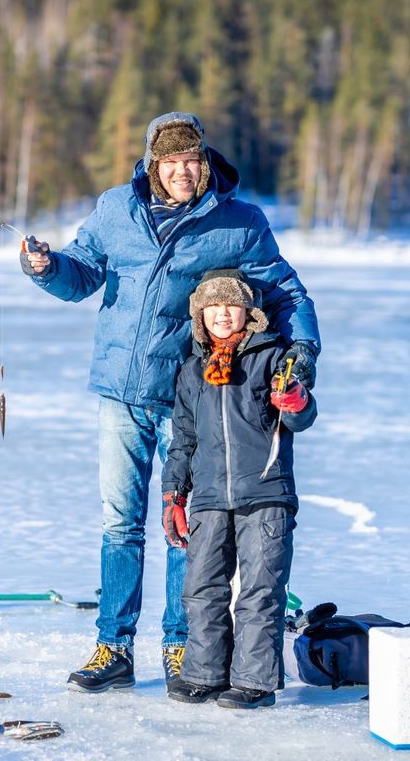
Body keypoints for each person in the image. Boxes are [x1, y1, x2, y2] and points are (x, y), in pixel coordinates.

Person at [20, 112, 321, 694]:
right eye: (173, 162)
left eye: (194, 161)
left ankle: (184, 649)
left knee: (192, 528)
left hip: (197, 396)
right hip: (121, 392)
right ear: (154, 164)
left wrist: (302, 348)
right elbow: (80, 274)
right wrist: (45, 267)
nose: (185, 172)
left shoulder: (238, 222)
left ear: (207, 161)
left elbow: (285, 291)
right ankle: (114, 647)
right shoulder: (116, 209)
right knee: (120, 525)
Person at [161, 269, 316, 709]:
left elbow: (299, 418)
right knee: (201, 586)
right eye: (212, 307)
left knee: (260, 589)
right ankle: (203, 675)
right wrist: (174, 494)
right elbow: (183, 439)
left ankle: (255, 682)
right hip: (209, 496)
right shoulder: (192, 371)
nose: (222, 315)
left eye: (230, 305)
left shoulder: (272, 358)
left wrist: (297, 402)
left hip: (265, 494)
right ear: (200, 316)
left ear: (248, 311)